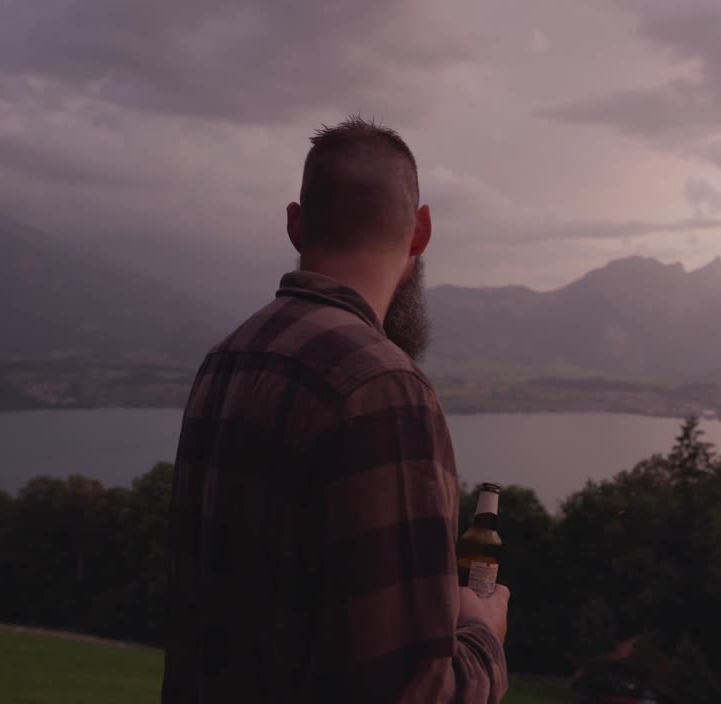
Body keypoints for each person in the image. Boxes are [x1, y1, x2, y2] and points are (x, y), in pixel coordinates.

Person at [162, 117, 510, 703]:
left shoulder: (224, 362)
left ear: (295, 224)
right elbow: (410, 691)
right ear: (421, 231)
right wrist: (483, 636)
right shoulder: (383, 386)